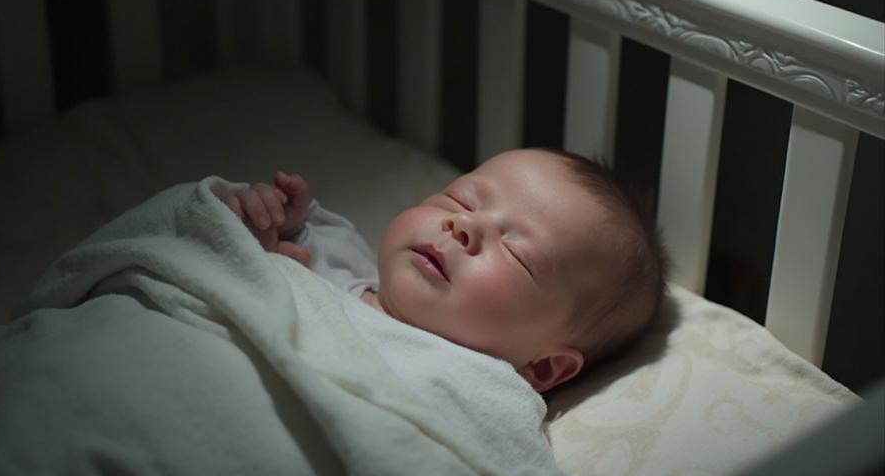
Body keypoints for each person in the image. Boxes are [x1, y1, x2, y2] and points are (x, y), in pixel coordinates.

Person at [221, 147, 668, 394]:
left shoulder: (476, 394)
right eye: (462, 201)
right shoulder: (329, 254)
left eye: (518, 255)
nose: (464, 226)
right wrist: (252, 229)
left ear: (546, 368)